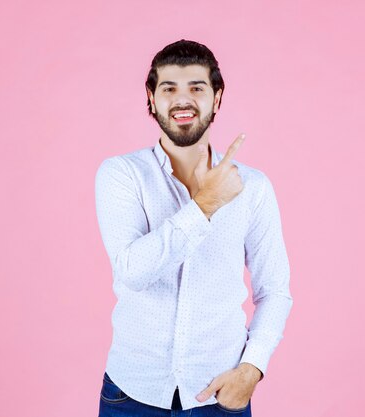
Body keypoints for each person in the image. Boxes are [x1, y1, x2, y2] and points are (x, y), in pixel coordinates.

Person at [95, 39, 293, 417]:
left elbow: (276, 290)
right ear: (151, 99)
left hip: (218, 395)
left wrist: (252, 369)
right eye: (168, 88)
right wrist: (207, 204)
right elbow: (133, 273)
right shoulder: (121, 175)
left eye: (197, 88)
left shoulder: (253, 187)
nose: (182, 100)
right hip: (131, 395)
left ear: (217, 99)